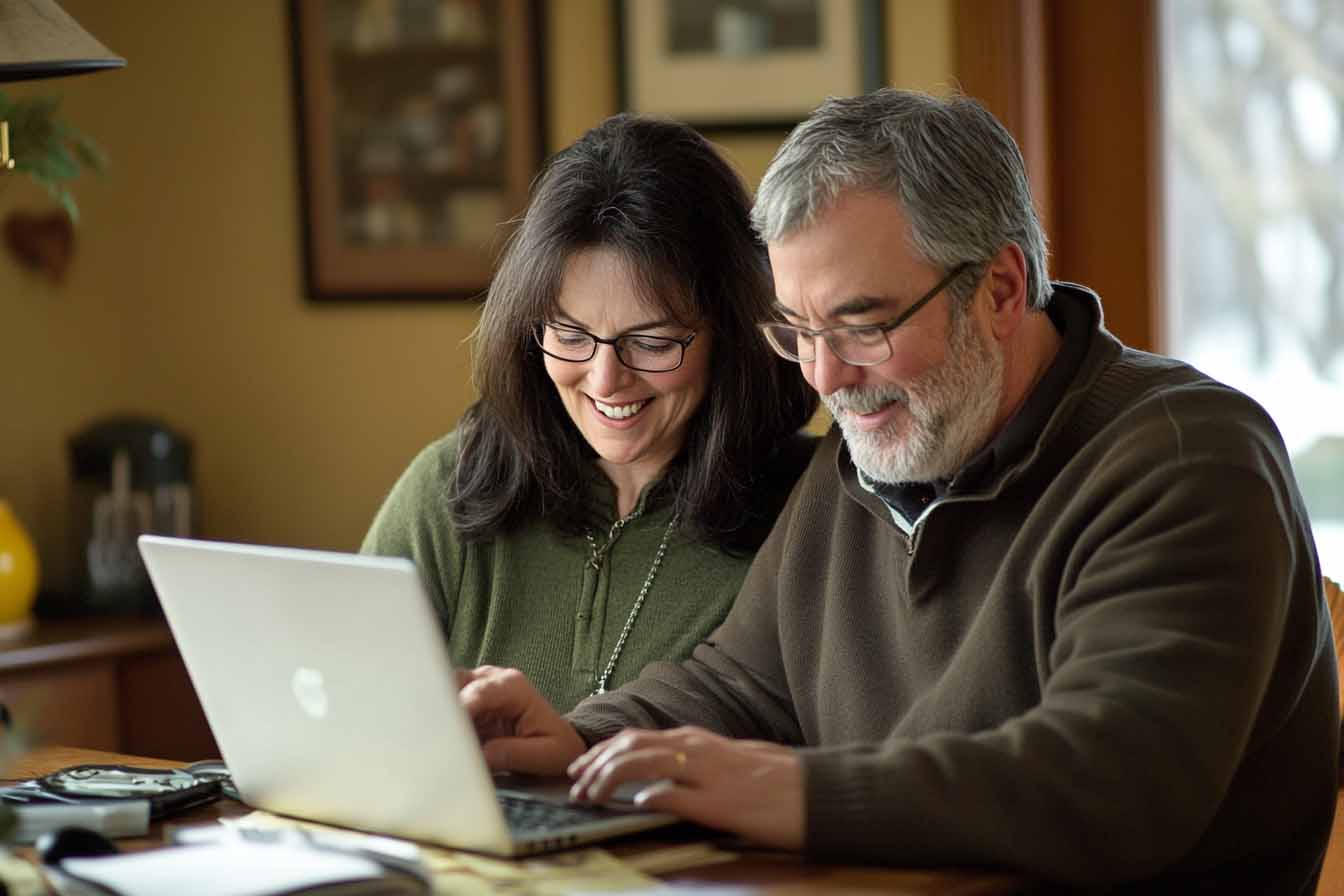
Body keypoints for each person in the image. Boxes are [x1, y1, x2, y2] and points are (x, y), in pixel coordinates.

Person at [458, 90, 1338, 893]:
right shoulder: (873, 455)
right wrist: (579, 740)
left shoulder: (1187, 458)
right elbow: (738, 687)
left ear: (1000, 288)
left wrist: (794, 791)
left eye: (863, 325)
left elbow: (1111, 781)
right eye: (796, 330)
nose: (827, 377)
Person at [362, 115, 818, 712]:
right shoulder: (449, 486)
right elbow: (344, 704)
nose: (605, 379)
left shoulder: (812, 510)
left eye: (652, 342)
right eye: (571, 335)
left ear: (729, 334)